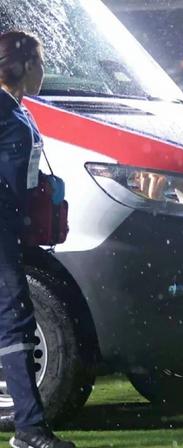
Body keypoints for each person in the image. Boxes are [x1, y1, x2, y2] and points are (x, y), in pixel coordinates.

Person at [0, 31, 76, 448]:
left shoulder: (18, 111)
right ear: (27, 66)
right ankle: (29, 430)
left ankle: (30, 428)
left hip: (9, 228)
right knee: (15, 325)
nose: (44, 73)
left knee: (15, 324)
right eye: (41, 64)